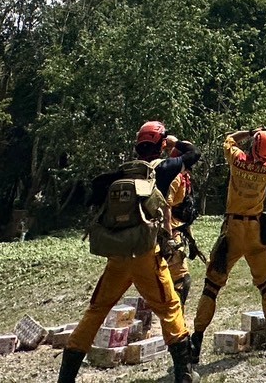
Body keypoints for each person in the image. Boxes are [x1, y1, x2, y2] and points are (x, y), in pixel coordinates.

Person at [58, 121, 202, 383]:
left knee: (96, 310)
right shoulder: (163, 169)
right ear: (159, 145)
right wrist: (172, 142)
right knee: (170, 307)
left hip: (118, 255)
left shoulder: (121, 174)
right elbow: (193, 153)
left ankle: (66, 377)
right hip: (146, 255)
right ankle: (184, 373)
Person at [188, 127, 266, 363]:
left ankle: (196, 342)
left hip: (232, 229)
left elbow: (228, 140)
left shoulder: (238, 160)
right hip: (256, 232)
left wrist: (250, 132)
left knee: (211, 286)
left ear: (252, 145)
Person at [161, 134, 202, 308]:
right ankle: (177, 322)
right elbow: (166, 206)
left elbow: (183, 214)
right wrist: (168, 238)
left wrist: (192, 242)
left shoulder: (185, 177)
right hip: (170, 234)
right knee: (180, 280)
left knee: (176, 280)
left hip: (179, 230)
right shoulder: (175, 178)